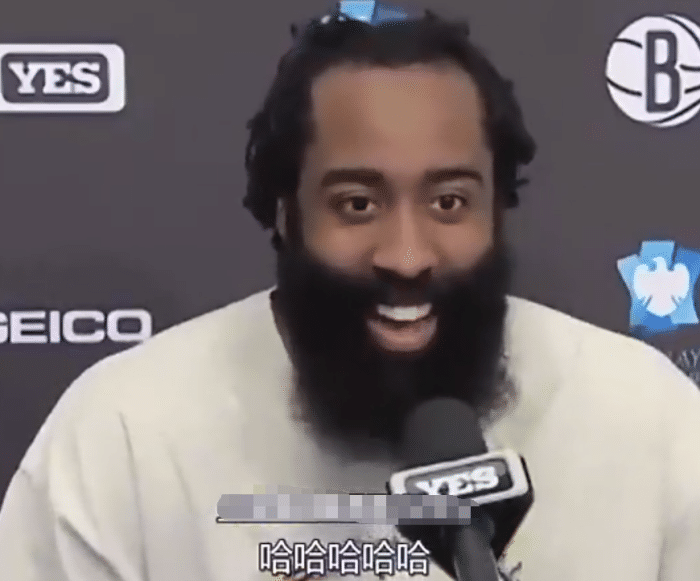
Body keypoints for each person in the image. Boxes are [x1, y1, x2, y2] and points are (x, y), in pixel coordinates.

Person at [1, 4, 700, 580]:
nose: (407, 255)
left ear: (498, 209)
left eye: (450, 202)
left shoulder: (647, 418)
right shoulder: (125, 432)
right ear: (286, 211)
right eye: (358, 204)